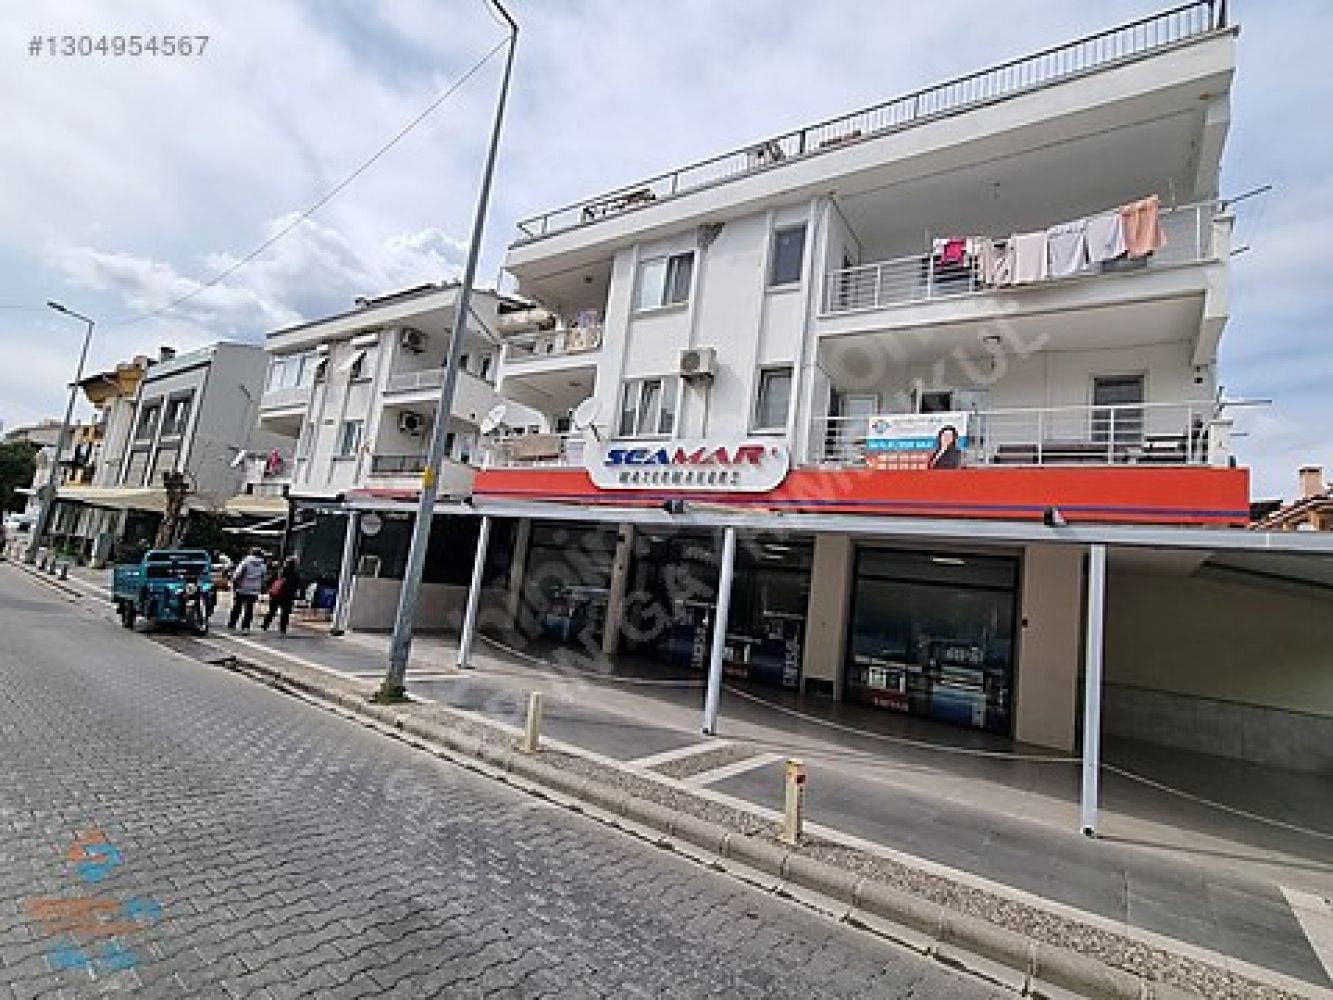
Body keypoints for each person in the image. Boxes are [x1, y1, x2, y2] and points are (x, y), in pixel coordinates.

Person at [228, 548, 267, 633]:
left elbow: (238, 574)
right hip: (254, 589)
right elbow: (264, 578)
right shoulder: (263, 565)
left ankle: (232, 623)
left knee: (237, 606)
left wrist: (234, 583)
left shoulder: (245, 562)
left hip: (242, 588)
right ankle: (246, 627)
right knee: (249, 609)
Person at [262, 556, 302, 634]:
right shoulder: (295, 574)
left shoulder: (280, 572)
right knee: (285, 613)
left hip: (277, 594)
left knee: (272, 611)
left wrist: (270, 589)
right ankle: (282, 628)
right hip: (288, 595)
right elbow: (299, 585)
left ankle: (265, 625)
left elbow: (269, 581)